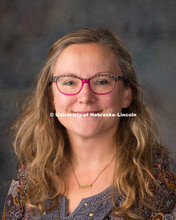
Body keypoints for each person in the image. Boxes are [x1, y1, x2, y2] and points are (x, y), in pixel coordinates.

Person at [2, 27, 176, 220]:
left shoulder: (160, 180)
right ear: (51, 97)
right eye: (69, 82)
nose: (85, 96)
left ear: (127, 95)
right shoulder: (31, 176)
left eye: (101, 82)